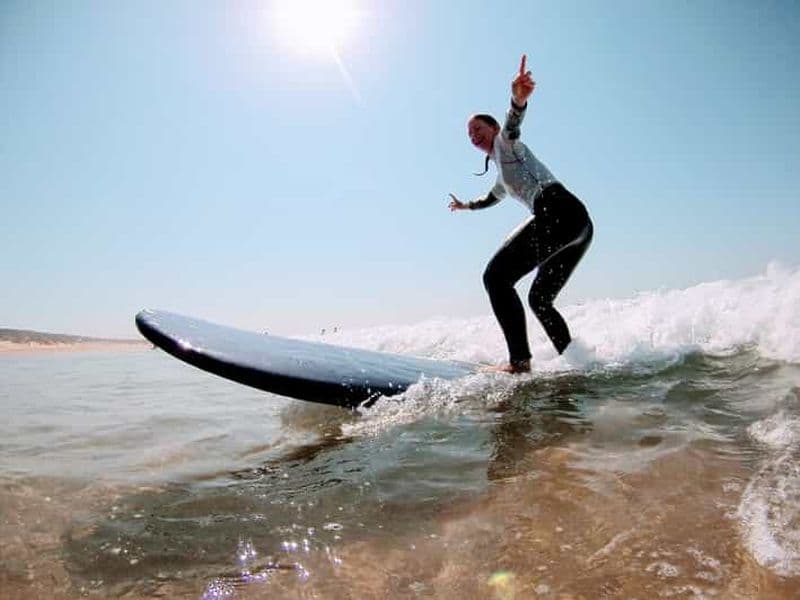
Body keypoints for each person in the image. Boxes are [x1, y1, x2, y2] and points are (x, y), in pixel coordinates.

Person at [449, 54, 593, 374]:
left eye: (478, 128)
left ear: (493, 128)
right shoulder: (502, 176)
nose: (474, 136)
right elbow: (491, 198)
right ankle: (580, 365)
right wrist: (467, 206)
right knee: (539, 300)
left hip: (557, 210)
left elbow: (513, 126)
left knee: (495, 277)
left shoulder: (506, 145)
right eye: (469, 134)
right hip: (578, 224)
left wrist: (517, 100)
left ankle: (519, 363)